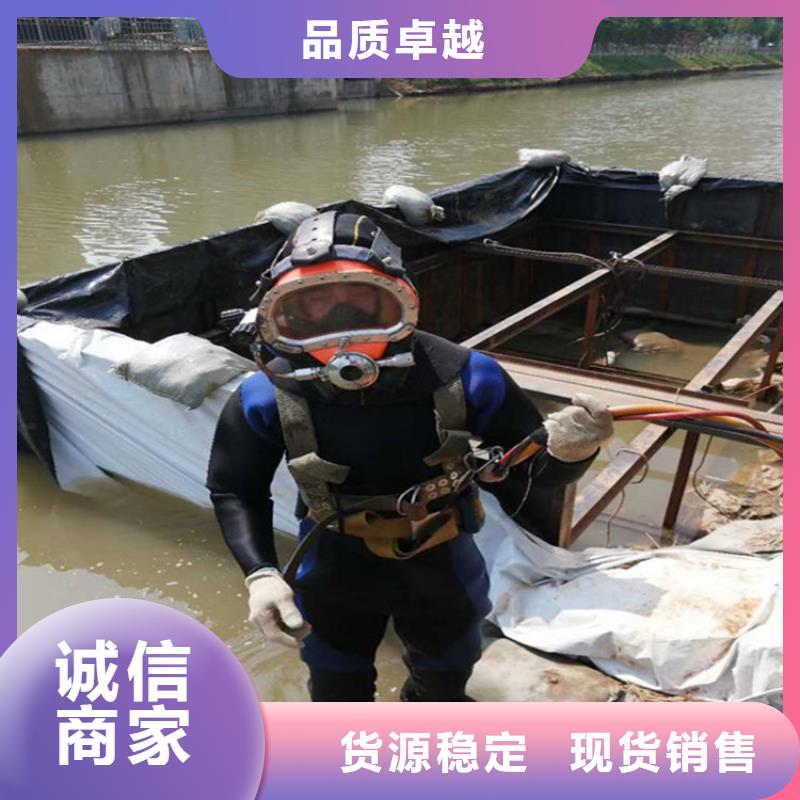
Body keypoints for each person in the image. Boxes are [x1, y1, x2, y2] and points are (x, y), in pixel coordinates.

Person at [206, 211, 613, 701]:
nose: (340, 326)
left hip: (441, 565)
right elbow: (235, 489)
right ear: (280, 317)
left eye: (360, 301)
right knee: (336, 692)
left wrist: (572, 450)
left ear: (403, 301)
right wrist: (261, 574)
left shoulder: (468, 377)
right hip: (333, 569)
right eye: (315, 304)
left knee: (443, 685)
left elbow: (533, 478)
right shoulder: (266, 396)